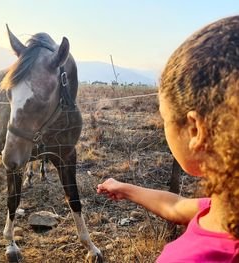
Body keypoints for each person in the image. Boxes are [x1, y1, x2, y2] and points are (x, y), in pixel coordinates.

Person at [97, 15, 239, 262]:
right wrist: (125, 189)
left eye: (164, 117)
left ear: (195, 129)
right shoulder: (226, 207)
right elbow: (177, 206)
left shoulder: (188, 258)